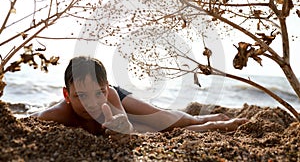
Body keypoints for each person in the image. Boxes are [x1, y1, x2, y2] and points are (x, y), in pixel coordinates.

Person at [32, 56, 248, 135]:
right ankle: (208, 126)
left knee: (162, 120)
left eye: (98, 93)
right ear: (67, 95)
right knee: (150, 131)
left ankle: (205, 119)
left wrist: (122, 127)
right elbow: (28, 123)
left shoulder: (110, 96)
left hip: (122, 100)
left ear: (106, 88)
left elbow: (125, 129)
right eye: (81, 96)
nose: (92, 104)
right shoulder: (54, 116)